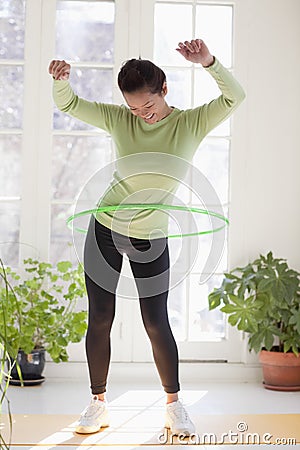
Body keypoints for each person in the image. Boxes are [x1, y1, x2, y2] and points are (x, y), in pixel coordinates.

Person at [49, 38, 245, 436]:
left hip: (151, 237)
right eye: (134, 109)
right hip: (104, 229)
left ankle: (174, 405)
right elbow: (69, 105)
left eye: (149, 106)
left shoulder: (190, 123)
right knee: (100, 318)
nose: (143, 116)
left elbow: (234, 97)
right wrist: (61, 81)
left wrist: (208, 62)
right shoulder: (123, 120)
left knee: (155, 322)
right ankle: (97, 403)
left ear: (164, 90)